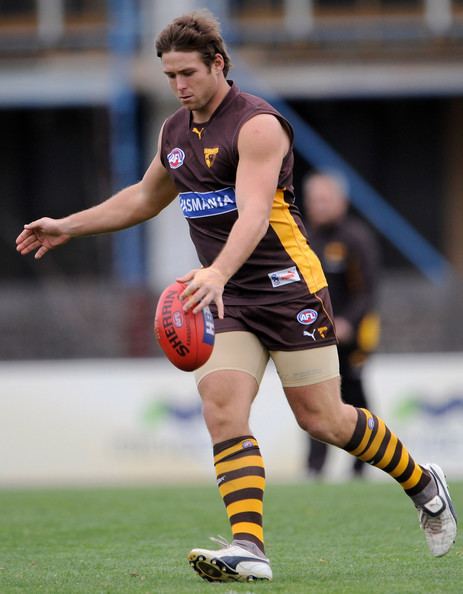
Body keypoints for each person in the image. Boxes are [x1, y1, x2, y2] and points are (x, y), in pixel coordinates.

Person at [16, 10, 456, 584]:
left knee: (324, 419)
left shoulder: (258, 125)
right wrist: (67, 226)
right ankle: (249, 545)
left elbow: (253, 214)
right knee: (222, 409)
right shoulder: (174, 131)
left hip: (287, 285)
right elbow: (144, 198)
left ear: (219, 65)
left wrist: (218, 271)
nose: (178, 86)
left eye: (188, 73)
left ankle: (424, 482)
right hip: (223, 297)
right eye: (170, 74)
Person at [303, 171, 380, 479]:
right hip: (316, 333)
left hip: (354, 335)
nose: (319, 206)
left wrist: (348, 322)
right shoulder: (304, 236)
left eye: (325, 199)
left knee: (355, 394)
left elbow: (368, 291)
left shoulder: (356, 237)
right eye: (314, 200)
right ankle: (314, 468)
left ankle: (364, 464)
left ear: (341, 202)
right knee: (312, 397)